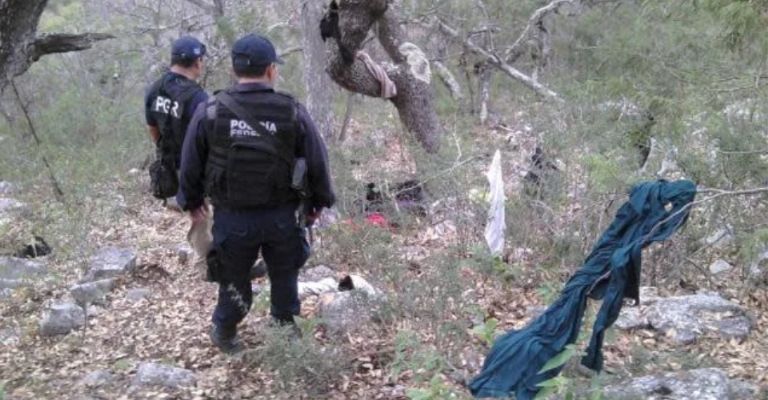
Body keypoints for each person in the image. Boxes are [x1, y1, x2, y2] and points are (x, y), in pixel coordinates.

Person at [178, 33, 336, 353]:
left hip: (232, 217)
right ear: (271, 70)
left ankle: (224, 330)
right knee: (284, 275)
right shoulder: (291, 110)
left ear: (236, 70)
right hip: (283, 215)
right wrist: (319, 202)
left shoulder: (210, 111)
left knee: (233, 278)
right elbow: (317, 159)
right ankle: (284, 332)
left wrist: (192, 203)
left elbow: (190, 161)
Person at [144, 36, 208, 209]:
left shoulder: (154, 89)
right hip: (194, 172)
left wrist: (163, 147)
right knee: (202, 224)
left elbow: (152, 127)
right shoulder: (198, 97)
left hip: (168, 170)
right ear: (198, 62)